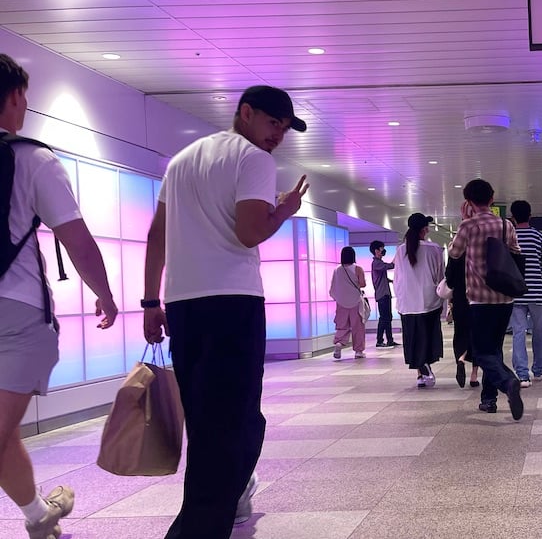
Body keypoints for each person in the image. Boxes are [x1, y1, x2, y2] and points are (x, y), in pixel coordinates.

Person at [143, 84, 309, 537]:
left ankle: (227, 493)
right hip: (232, 303)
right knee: (235, 421)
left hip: (184, 305)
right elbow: (249, 233)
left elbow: (156, 235)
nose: (278, 135)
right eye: (273, 123)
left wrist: (150, 301)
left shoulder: (181, 161)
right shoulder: (253, 158)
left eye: (285, 128)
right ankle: (202, 523)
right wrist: (285, 210)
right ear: (246, 112)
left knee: (206, 416)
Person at [0, 54, 119, 539]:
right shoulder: (31, 158)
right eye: (23, 96)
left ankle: (39, 518)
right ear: (13, 97)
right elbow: (78, 241)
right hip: (19, 316)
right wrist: (106, 296)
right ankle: (39, 516)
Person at [446, 179, 524, 419]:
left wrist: (464, 221)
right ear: (492, 199)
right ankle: (488, 400)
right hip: (504, 298)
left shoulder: (468, 226)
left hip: (479, 300)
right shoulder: (506, 225)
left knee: (480, 352)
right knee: (494, 349)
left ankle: (508, 381)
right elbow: (517, 255)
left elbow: (454, 253)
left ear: (468, 202)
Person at [508, 201, 542, 386]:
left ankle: (522, 374)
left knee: (518, 332)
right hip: (537, 292)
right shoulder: (539, 236)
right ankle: (538, 369)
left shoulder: (509, 237)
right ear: (530, 215)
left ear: (512, 217)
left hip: (515, 293)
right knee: (539, 331)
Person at [395, 213, 445, 388]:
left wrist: (400, 300)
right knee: (427, 338)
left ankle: (420, 374)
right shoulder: (434, 249)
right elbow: (440, 276)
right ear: (425, 229)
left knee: (413, 339)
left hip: (408, 303)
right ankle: (424, 367)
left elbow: (398, 279)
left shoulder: (401, 249)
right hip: (429, 301)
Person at [446, 200, 479, 388]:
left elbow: (448, 276)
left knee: (461, 332)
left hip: (459, 297)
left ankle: (460, 357)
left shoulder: (455, 249)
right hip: (478, 296)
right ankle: (474, 375)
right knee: (477, 333)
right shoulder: (479, 245)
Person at [330, 246, 367, 360]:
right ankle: (358, 351)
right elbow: (362, 284)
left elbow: (333, 287)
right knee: (358, 326)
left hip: (341, 302)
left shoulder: (337, 270)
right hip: (355, 301)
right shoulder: (358, 269)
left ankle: (339, 344)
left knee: (342, 326)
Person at [369, 240, 398, 348]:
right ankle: (380, 340)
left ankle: (390, 340)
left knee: (387, 317)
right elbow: (390, 266)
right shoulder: (376, 263)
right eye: (381, 248)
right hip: (382, 294)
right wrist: (398, 255)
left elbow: (383, 277)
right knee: (384, 318)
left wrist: (391, 281)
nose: (383, 250)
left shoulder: (378, 262)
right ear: (376, 251)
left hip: (385, 293)